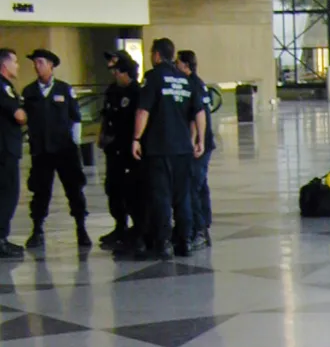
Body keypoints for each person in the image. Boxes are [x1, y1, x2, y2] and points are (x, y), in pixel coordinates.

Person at [133, 37, 204, 261]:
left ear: (156, 55)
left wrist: (136, 138)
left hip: (159, 148)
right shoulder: (185, 80)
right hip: (183, 148)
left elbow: (143, 111)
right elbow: (199, 112)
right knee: (182, 197)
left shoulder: (153, 78)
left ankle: (164, 243)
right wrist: (199, 139)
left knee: (161, 196)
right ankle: (185, 241)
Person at [21, 48, 89, 252]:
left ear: (51, 65)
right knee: (40, 191)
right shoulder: (29, 92)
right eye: (34, 62)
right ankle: (37, 229)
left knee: (74, 189)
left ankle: (81, 227)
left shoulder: (64, 90)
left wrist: (75, 144)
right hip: (41, 151)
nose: (36, 66)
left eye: (40, 62)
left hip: (64, 150)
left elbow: (76, 117)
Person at [98, 51, 142, 252]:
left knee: (131, 191)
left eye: (117, 71)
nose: (114, 75)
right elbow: (106, 116)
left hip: (128, 151)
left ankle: (138, 228)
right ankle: (120, 225)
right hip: (112, 150)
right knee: (113, 188)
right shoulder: (111, 91)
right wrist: (102, 135)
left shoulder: (137, 92)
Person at [175, 49, 214, 252]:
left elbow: (194, 116)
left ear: (185, 65)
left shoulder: (190, 85)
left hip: (199, 145)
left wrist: (194, 141)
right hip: (205, 143)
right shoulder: (200, 84)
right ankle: (204, 225)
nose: (175, 67)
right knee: (201, 185)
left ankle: (199, 231)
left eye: (177, 64)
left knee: (193, 187)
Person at [0, 48, 25, 260]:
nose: (17, 66)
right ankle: (1, 240)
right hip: (5, 149)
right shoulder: (3, 86)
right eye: (15, 62)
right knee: (8, 194)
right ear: (5, 65)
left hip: (5, 147)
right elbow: (17, 115)